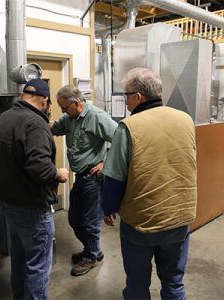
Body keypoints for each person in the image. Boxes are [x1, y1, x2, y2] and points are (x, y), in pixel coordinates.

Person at [101, 67, 197, 299]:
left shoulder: (129, 127)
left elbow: (114, 177)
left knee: (137, 283)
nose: (125, 101)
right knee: (174, 282)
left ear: (138, 97)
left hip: (142, 221)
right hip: (179, 216)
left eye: (126, 95)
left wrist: (108, 209)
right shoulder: (185, 119)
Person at [0, 79, 69, 300]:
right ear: (44, 101)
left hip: (10, 204)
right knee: (37, 266)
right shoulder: (35, 124)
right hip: (32, 208)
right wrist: (59, 174)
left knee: (19, 258)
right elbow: (40, 169)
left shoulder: (5, 118)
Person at [51, 85, 118, 276]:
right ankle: (93, 248)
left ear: (75, 103)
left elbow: (121, 139)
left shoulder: (96, 116)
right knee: (74, 219)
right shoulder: (69, 119)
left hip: (93, 179)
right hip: (80, 177)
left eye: (64, 107)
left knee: (90, 222)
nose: (62, 111)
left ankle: (90, 257)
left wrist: (106, 162)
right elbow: (53, 129)